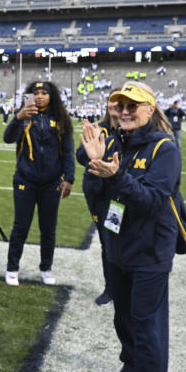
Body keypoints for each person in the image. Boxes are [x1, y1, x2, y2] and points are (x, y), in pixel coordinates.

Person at [80, 81, 182, 372]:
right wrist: (95, 162)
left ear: (150, 110)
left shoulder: (164, 149)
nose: (124, 111)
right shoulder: (116, 142)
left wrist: (116, 175)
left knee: (148, 330)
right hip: (119, 247)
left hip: (150, 253)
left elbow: (154, 201)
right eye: (119, 105)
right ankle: (133, 367)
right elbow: (98, 192)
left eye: (133, 106)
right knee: (123, 317)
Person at [4, 80, 74, 286]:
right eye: (37, 93)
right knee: (21, 227)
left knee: (48, 229)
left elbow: (68, 151)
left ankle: (46, 268)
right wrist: (18, 118)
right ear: (30, 96)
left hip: (51, 183)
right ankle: (12, 268)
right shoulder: (25, 117)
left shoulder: (60, 119)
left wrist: (69, 178)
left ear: (52, 96)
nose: (41, 96)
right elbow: (8, 138)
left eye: (45, 93)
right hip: (26, 181)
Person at [77, 90, 120, 305]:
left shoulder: (129, 129)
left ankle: (122, 286)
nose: (115, 104)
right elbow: (79, 155)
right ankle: (110, 287)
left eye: (120, 101)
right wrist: (92, 151)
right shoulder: (99, 127)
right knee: (107, 241)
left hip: (120, 196)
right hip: (98, 194)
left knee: (119, 240)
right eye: (112, 99)